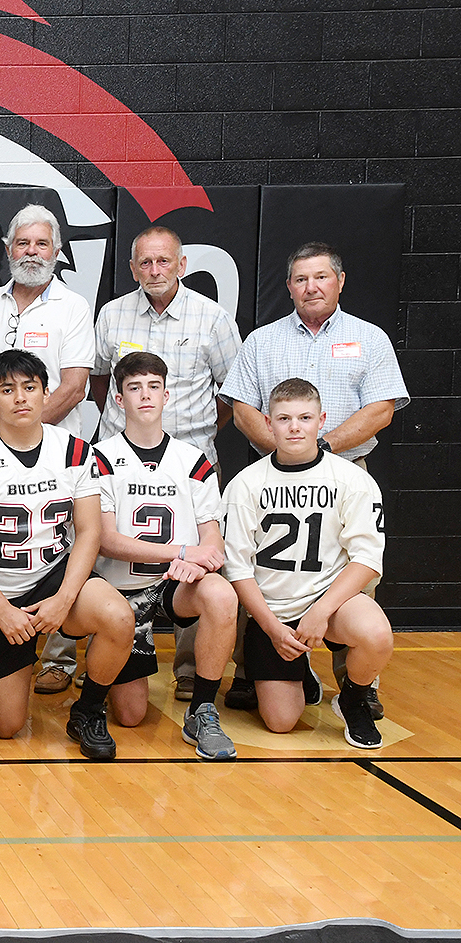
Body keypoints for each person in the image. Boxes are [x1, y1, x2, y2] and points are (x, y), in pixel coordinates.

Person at [220, 242, 408, 718]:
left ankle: (357, 686)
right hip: (270, 473)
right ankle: (255, 669)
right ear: (288, 288)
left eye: (321, 277)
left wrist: (322, 452)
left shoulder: (370, 338)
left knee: (353, 582)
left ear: (340, 281)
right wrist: (285, 452)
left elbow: (381, 408)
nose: (311, 287)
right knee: (261, 571)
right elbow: (242, 407)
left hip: (344, 469)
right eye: (301, 279)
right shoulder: (262, 340)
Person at [0, 350, 135, 760]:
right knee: (6, 726)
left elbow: (89, 531)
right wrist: (1, 609)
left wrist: (65, 599)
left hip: (51, 575)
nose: (20, 398)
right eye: (7, 390)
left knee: (119, 616)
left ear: (46, 394)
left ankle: (88, 710)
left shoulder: (76, 451)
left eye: (30, 387)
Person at [90, 225, 242, 702]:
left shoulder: (211, 317)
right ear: (132, 268)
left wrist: (191, 439)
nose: (154, 271)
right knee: (130, 710)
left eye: (164, 261)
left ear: (181, 265)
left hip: (190, 455)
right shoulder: (113, 314)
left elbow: (231, 391)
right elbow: (99, 380)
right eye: (145, 263)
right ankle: (108, 654)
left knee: (202, 572)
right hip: (123, 457)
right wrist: (126, 428)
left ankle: (192, 673)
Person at [221, 378, 392, 749]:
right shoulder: (244, 485)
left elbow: (367, 559)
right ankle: (300, 671)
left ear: (321, 420)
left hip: (331, 604)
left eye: (304, 417)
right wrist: (269, 626)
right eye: (284, 418)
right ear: (268, 423)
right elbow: (237, 568)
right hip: (274, 612)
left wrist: (321, 611)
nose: (294, 427)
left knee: (377, 635)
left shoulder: (352, 479)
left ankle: (352, 699)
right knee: (281, 722)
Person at [0, 204, 98, 696]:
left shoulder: (73, 306)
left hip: (55, 450)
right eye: (22, 243)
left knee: (59, 543)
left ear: (57, 251)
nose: (31, 252)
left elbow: (74, 386)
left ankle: (60, 658)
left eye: (41, 244)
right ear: (8, 250)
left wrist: (25, 434)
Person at [91, 353, 238, 760]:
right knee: (131, 715)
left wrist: (199, 561)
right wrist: (184, 550)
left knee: (222, 595)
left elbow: (215, 543)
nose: (145, 396)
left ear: (167, 395)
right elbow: (106, 541)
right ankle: (103, 666)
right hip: (121, 593)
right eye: (134, 388)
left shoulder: (194, 461)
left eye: (153, 387)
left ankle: (203, 710)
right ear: (118, 399)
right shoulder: (99, 458)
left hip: (175, 586)